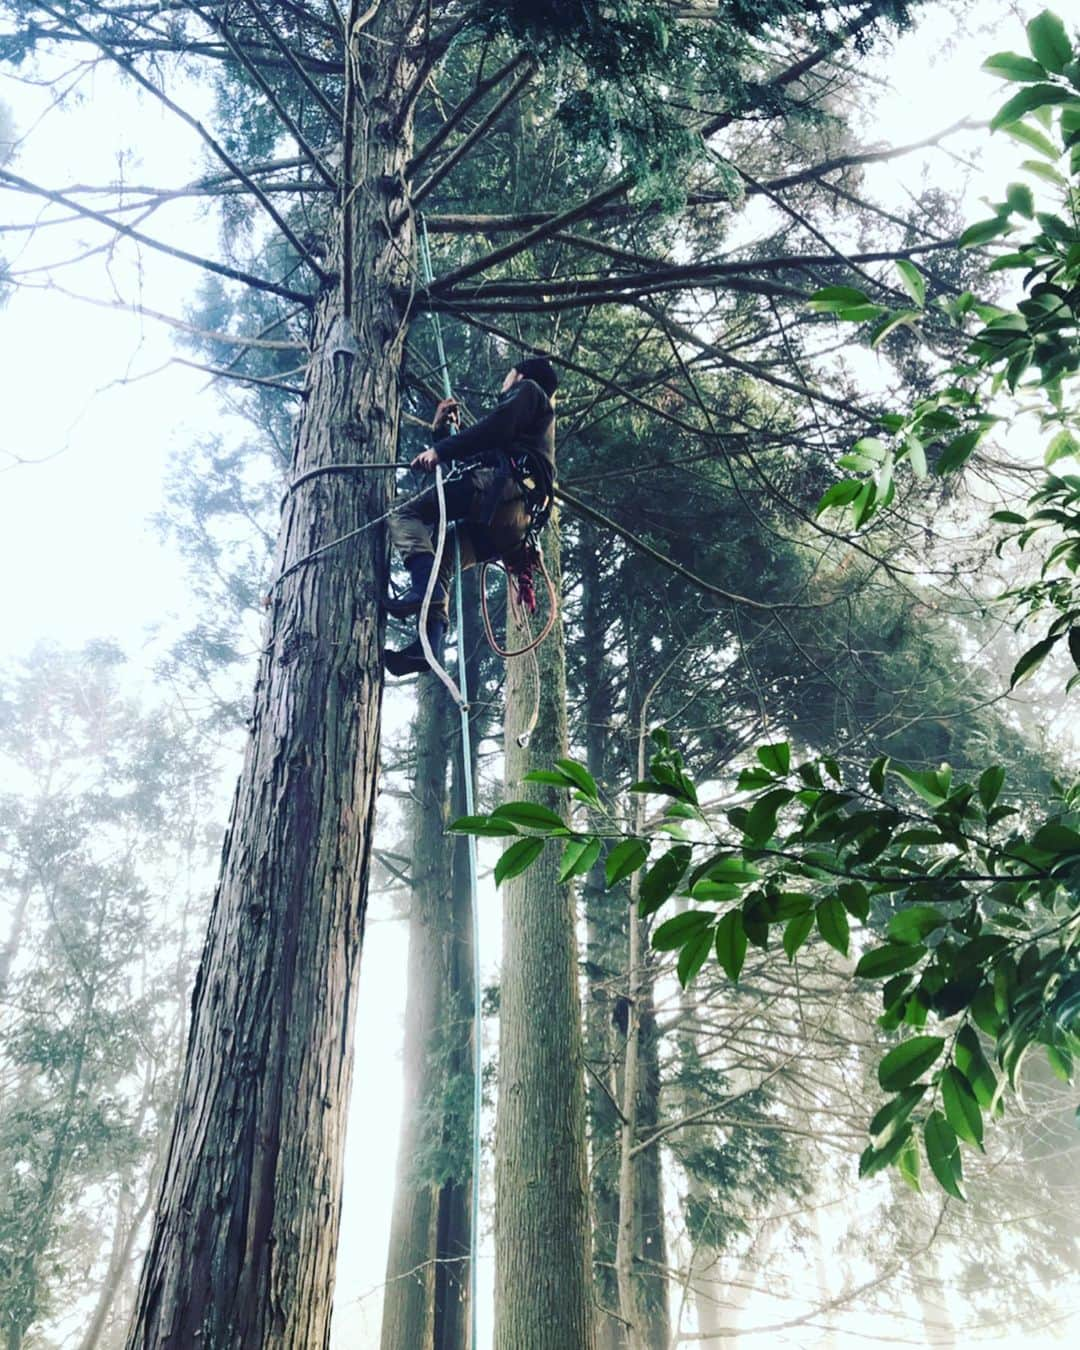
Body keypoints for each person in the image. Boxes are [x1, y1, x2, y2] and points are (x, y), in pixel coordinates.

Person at [383, 356, 558, 676]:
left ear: (519, 376)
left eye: (508, 375)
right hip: (513, 525)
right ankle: (429, 646)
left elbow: (496, 429)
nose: (504, 383)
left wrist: (442, 450)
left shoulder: (529, 391)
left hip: (503, 492)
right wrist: (440, 435)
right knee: (444, 554)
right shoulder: (531, 432)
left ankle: (425, 593)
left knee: (403, 513)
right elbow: (481, 453)